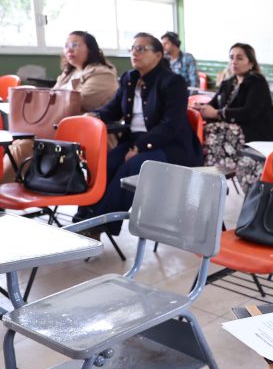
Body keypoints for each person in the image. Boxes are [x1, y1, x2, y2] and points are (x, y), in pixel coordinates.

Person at [75, 32, 203, 236]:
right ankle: (85, 216)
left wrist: (141, 147)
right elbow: (113, 109)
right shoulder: (129, 78)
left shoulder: (173, 82)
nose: (135, 53)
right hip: (135, 141)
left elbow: (172, 125)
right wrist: (94, 115)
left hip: (170, 145)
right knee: (104, 165)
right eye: (132, 49)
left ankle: (102, 223)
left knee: (132, 168)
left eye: (141, 49)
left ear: (158, 55)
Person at [1, 31, 118, 183]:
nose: (69, 49)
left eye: (75, 45)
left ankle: (3, 194)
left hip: (84, 134)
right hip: (55, 128)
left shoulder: (103, 74)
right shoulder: (68, 74)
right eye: (66, 46)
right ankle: (7, 191)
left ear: (90, 48)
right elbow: (54, 103)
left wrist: (47, 104)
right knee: (16, 144)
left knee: (23, 147)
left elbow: (80, 102)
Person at [195, 43, 273, 194]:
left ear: (251, 63)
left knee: (214, 129)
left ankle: (218, 177)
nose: (234, 62)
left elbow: (250, 112)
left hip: (256, 129)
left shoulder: (257, 82)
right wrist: (201, 108)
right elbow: (213, 104)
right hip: (233, 129)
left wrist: (218, 114)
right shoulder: (228, 83)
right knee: (207, 130)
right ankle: (212, 177)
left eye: (239, 58)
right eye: (231, 58)